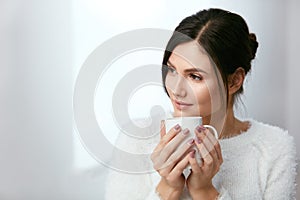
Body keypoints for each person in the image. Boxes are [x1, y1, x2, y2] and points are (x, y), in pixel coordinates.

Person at [104, 8, 297, 199]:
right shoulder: (136, 139)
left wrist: (205, 192)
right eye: (172, 70)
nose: (176, 89)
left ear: (234, 81)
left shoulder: (274, 148)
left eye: (194, 76)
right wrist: (167, 188)